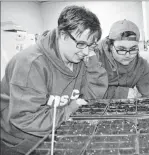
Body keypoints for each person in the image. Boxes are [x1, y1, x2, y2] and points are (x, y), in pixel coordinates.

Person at [0, 5, 108, 155]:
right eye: (81, 44)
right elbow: (25, 118)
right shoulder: (31, 64)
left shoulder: (80, 58)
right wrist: (69, 110)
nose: (86, 52)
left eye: (91, 45)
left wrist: (93, 61)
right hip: (21, 143)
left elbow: (91, 98)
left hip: (55, 133)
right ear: (62, 35)